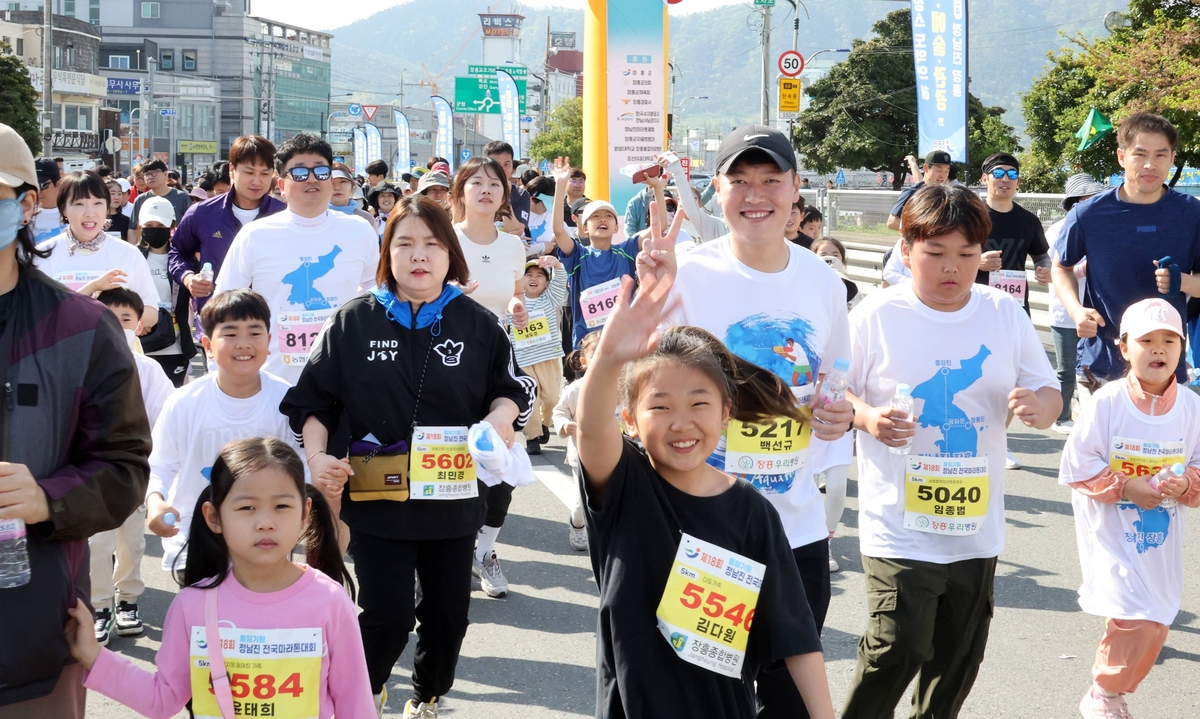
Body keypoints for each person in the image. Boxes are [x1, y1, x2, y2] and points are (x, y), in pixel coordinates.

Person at [281, 196, 534, 718]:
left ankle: (428, 697)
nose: (419, 256)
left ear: (450, 253)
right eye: (405, 244)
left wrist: (502, 417)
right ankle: (360, 698)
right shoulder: (352, 322)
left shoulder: (478, 323)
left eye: (432, 245)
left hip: (454, 498)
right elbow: (313, 399)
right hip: (376, 499)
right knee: (386, 616)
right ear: (387, 253)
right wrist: (317, 454)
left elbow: (514, 388)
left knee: (448, 617)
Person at [641, 125, 853, 719]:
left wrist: (837, 415)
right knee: (710, 696)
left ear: (795, 190)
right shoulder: (686, 274)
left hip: (796, 530)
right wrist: (649, 293)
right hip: (706, 528)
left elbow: (835, 379)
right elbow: (640, 384)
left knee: (790, 697)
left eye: (770, 180)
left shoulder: (823, 281)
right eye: (739, 181)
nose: (755, 194)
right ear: (716, 190)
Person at [840, 183, 1060, 719]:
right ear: (907, 250)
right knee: (899, 645)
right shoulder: (875, 315)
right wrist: (867, 418)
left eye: (965, 255)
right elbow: (833, 391)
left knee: (958, 658)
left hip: (975, 522)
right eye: (935, 253)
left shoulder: (1003, 314)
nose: (951, 268)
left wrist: (1040, 407)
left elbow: (1049, 391)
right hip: (898, 518)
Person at [574, 270, 836, 719]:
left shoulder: (753, 512)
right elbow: (590, 431)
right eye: (660, 406)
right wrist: (611, 359)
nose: (682, 423)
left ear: (725, 412)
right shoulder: (625, 488)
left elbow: (797, 637)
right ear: (630, 420)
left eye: (699, 404)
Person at [0, 122, 150, 718]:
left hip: (36, 639)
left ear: (27, 204)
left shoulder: (81, 328)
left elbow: (124, 466)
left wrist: (47, 499)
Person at [68, 437, 374, 718]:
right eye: (247, 507)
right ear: (214, 517)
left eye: (282, 506)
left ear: (305, 513)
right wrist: (93, 655)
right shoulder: (192, 605)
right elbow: (162, 698)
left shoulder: (330, 602)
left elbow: (356, 707)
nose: (266, 522)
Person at [1058, 298, 1200, 719]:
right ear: (1123, 348)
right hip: (1110, 533)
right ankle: (1102, 692)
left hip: (1158, 537)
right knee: (1133, 618)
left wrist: (1185, 482)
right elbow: (1078, 465)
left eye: (1169, 341)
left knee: (1157, 622)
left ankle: (1114, 693)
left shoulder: (1192, 408)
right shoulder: (1108, 402)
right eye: (1147, 341)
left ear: (1181, 347)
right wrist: (1126, 486)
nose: (1159, 349)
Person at [145, 289, 303, 580]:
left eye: (254, 333)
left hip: (266, 542)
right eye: (230, 334)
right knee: (203, 622)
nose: (243, 344)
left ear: (269, 342)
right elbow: (161, 464)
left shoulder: (287, 401)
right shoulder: (184, 402)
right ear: (207, 344)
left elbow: (301, 468)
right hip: (195, 541)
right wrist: (155, 500)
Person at [1053, 112, 1200, 401]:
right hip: (1102, 365)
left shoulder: (1192, 214)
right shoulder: (1088, 214)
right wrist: (1076, 311)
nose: (1150, 164)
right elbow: (1062, 267)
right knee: (1095, 447)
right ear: (1122, 157)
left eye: (1160, 155)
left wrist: (1181, 281)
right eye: (1140, 154)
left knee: (1165, 447)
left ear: (1172, 158)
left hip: (1166, 367)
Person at [214, 133, 379, 385]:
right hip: (274, 379)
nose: (311, 179)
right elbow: (224, 302)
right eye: (300, 172)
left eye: (321, 171)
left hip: (343, 378)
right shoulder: (255, 235)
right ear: (280, 185)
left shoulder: (359, 230)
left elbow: (376, 290)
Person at [449, 156, 530, 598]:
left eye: (494, 184)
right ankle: (445, 554)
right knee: (451, 463)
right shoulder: (444, 239)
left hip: (499, 368)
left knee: (502, 466)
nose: (486, 190)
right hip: (448, 361)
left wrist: (518, 308)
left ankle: (484, 550)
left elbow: (515, 296)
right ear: (460, 191)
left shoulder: (512, 244)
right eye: (476, 183)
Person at [88, 288, 174, 645]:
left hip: (136, 471)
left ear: (138, 325)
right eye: (107, 316)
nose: (116, 325)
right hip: (94, 473)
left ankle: (128, 601)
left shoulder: (148, 368)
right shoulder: (82, 365)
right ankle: (101, 605)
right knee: (96, 542)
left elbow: (167, 415)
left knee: (133, 541)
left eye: (125, 319)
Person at [170, 135, 285, 316]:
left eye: (265, 173)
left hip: (273, 319)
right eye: (249, 172)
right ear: (232, 170)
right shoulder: (201, 213)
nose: (257, 181)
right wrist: (188, 278)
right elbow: (177, 252)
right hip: (218, 319)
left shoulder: (284, 215)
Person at [34, 171, 160, 334]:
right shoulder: (44, 255)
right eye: (79, 204)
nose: (90, 212)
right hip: (61, 357)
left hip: (116, 357)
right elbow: (37, 317)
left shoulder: (128, 253)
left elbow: (151, 314)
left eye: (98, 203)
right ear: (63, 209)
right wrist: (92, 290)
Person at [548, 157, 640, 349]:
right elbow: (558, 231)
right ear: (583, 227)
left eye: (608, 216)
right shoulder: (578, 255)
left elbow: (660, 227)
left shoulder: (627, 251)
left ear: (616, 227)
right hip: (588, 344)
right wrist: (560, 186)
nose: (602, 220)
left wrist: (656, 188)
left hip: (623, 341)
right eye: (595, 217)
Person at [1046, 174, 1109, 434]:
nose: (1093, 203)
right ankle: (1061, 416)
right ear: (1074, 202)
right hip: (1065, 314)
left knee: (1092, 369)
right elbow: (1055, 269)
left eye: (1095, 198)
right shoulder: (1058, 229)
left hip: (1097, 312)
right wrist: (1083, 267)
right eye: (1087, 199)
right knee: (1066, 369)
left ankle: (1088, 417)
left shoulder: (1105, 228)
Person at [974, 152, 1051, 317]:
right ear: (984, 179)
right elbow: (951, 257)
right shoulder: (969, 217)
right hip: (975, 302)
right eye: (999, 173)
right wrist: (977, 262)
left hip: (1015, 306)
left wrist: (1045, 269)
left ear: (1018, 181)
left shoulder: (1029, 220)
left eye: (1012, 174)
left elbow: (1041, 256)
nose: (1005, 179)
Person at [510, 256, 568, 456]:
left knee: (552, 399)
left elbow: (561, 280)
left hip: (548, 357)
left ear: (546, 282)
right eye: (528, 274)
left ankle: (545, 423)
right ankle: (532, 437)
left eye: (539, 275)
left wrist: (557, 265)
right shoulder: (512, 302)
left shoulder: (550, 299)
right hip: (522, 359)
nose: (534, 278)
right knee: (530, 399)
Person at [137, 195, 197, 386]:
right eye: (149, 225)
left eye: (160, 225)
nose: (154, 230)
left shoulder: (183, 261)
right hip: (140, 343)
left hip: (176, 345)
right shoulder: (132, 256)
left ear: (171, 225)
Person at [552, 331, 600, 551]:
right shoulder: (575, 389)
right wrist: (564, 425)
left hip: (617, 452)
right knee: (582, 500)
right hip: (582, 455)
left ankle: (609, 531)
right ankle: (577, 525)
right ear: (583, 361)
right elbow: (559, 411)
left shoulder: (621, 385)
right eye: (595, 354)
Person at [881, 150, 954, 286]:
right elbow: (892, 222)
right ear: (926, 168)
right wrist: (924, 230)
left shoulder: (946, 195)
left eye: (946, 171)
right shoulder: (912, 193)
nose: (942, 175)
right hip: (908, 252)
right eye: (939, 170)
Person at [129, 159, 190, 245]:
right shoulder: (140, 200)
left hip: (176, 249)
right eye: (146, 174)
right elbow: (133, 228)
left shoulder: (182, 197)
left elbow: (191, 227)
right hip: (148, 250)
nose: (150, 177)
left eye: (154, 172)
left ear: (165, 174)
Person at [484, 141, 530, 236]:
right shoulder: (477, 191)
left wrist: (506, 197)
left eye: (506, 164)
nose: (501, 169)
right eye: (496, 165)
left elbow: (517, 230)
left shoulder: (521, 195)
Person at [330, 162, 379, 228]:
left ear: (352, 186)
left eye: (343, 181)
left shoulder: (366, 219)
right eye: (332, 182)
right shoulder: (314, 218)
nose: (337, 187)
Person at [31, 157, 63, 243]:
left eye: (41, 186)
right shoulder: (21, 216)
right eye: (32, 186)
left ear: (58, 184)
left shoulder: (74, 214)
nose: (36, 192)